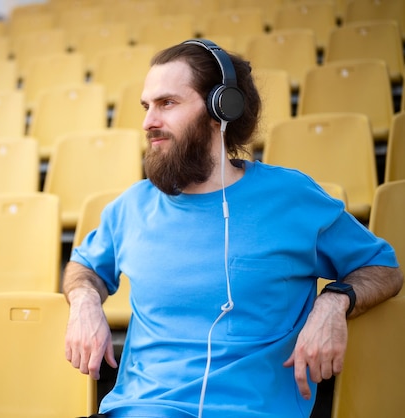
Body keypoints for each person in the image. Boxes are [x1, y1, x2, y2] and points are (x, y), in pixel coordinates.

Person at [63, 39, 403, 418]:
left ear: (220, 109)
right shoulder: (130, 207)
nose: (148, 123)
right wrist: (84, 300)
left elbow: (384, 268)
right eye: (147, 106)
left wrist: (334, 302)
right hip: (137, 409)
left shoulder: (290, 197)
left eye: (167, 104)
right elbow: (84, 268)